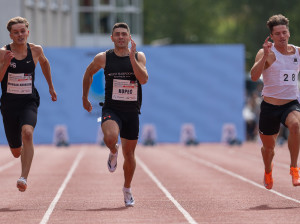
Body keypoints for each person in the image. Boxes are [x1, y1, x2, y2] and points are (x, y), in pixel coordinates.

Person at [82, 22, 148, 206]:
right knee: (110, 137)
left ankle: (127, 189)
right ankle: (113, 150)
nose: (120, 37)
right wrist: (84, 97)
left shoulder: (139, 56)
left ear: (129, 37)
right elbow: (88, 74)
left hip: (132, 111)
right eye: (117, 34)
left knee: (130, 155)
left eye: (123, 34)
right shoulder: (103, 58)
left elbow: (143, 79)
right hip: (112, 108)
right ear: (112, 38)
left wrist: (132, 58)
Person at [0, 17, 57, 192]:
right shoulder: (3, 52)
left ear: (28, 32)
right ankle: (22, 150)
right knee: (16, 152)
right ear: (10, 35)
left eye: (22, 31)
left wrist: (51, 87)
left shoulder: (36, 50)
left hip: (28, 100)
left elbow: (45, 64)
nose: (20, 35)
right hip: (9, 103)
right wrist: (6, 63)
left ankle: (23, 177)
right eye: (16, 32)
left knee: (28, 132)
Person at [250, 14, 300, 190]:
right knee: (268, 149)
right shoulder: (266, 53)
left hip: (291, 103)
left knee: (296, 126)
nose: (282, 36)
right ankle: (268, 170)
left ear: (289, 33)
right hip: (270, 106)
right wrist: (265, 57)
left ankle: (294, 168)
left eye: (284, 32)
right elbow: (254, 76)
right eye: (277, 33)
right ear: (271, 36)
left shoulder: (298, 52)